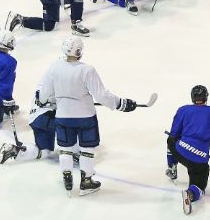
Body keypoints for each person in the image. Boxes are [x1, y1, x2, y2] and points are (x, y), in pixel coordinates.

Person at [37, 36, 140, 196]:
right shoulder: (87, 70)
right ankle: (86, 182)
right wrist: (121, 103)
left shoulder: (54, 68)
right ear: (80, 52)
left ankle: (67, 177)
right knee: (87, 149)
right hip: (86, 118)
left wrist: (42, 99)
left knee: (65, 149)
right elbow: (102, 96)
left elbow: (44, 94)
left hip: (63, 117)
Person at [166, 85, 210, 214]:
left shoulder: (183, 110)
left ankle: (172, 167)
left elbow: (174, 134)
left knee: (170, 141)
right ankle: (190, 194)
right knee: (199, 184)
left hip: (181, 150)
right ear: (206, 97)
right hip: (198, 159)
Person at [0, 87, 59, 164]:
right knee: (72, 128)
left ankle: (16, 150)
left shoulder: (46, 81)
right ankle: (74, 152)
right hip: (47, 117)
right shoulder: (62, 81)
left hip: (35, 118)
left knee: (45, 151)